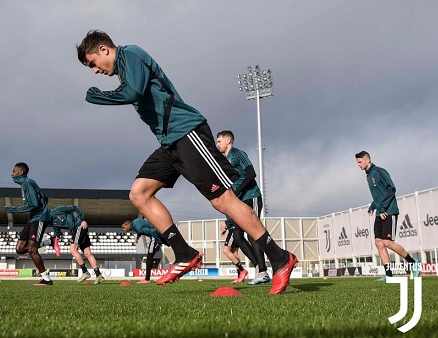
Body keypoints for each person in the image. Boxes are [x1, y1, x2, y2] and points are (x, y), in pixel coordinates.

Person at [77, 30, 296, 293]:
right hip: (170, 143)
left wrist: (98, 95)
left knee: (223, 201)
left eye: (92, 64)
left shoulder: (130, 54)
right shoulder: (124, 69)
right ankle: (184, 253)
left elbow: (133, 92)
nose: (94, 70)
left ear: (103, 50)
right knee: (139, 194)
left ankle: (280, 258)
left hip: (187, 132)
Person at [355, 151, 419, 281]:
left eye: (360, 162)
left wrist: (383, 207)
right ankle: (389, 275)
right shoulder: (368, 176)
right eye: (357, 163)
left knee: (387, 242)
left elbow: (391, 189)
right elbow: (379, 195)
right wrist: (373, 206)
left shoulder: (379, 171)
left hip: (389, 211)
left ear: (368, 160)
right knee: (379, 243)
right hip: (380, 211)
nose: (358, 165)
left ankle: (413, 262)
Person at [216, 130, 270, 285]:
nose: (217, 144)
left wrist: (235, 190)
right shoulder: (224, 161)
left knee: (253, 233)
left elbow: (250, 173)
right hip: (239, 201)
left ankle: (263, 271)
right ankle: (260, 268)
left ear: (228, 141)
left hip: (251, 197)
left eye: (219, 141)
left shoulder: (237, 154)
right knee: (238, 237)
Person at [5, 162, 53, 286]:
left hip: (39, 218)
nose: (12, 174)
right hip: (32, 219)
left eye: (14, 171)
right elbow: (45, 198)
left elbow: (34, 204)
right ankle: (48, 242)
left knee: (32, 250)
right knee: (20, 249)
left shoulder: (28, 183)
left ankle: (46, 279)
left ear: (20, 172)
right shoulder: (26, 184)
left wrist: (13, 209)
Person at [44, 205, 105, 284]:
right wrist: (55, 244)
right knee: (87, 253)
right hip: (76, 231)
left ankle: (85, 272)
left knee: (73, 250)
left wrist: (82, 219)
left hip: (78, 226)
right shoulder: (52, 222)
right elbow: (57, 233)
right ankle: (99, 275)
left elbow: (74, 207)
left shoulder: (58, 210)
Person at [122, 218, 169, 284]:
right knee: (172, 243)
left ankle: (147, 279)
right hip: (158, 233)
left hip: (155, 236)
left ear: (128, 225)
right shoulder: (134, 223)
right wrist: (138, 236)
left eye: (124, 227)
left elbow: (152, 231)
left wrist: (158, 242)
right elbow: (142, 228)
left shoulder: (137, 227)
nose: (124, 229)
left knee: (149, 257)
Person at [220, 217, 251, 284]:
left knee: (226, 250)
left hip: (234, 230)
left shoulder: (229, 206)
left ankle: (242, 270)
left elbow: (236, 216)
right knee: (234, 253)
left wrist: (226, 223)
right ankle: (240, 276)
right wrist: (226, 227)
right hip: (235, 229)